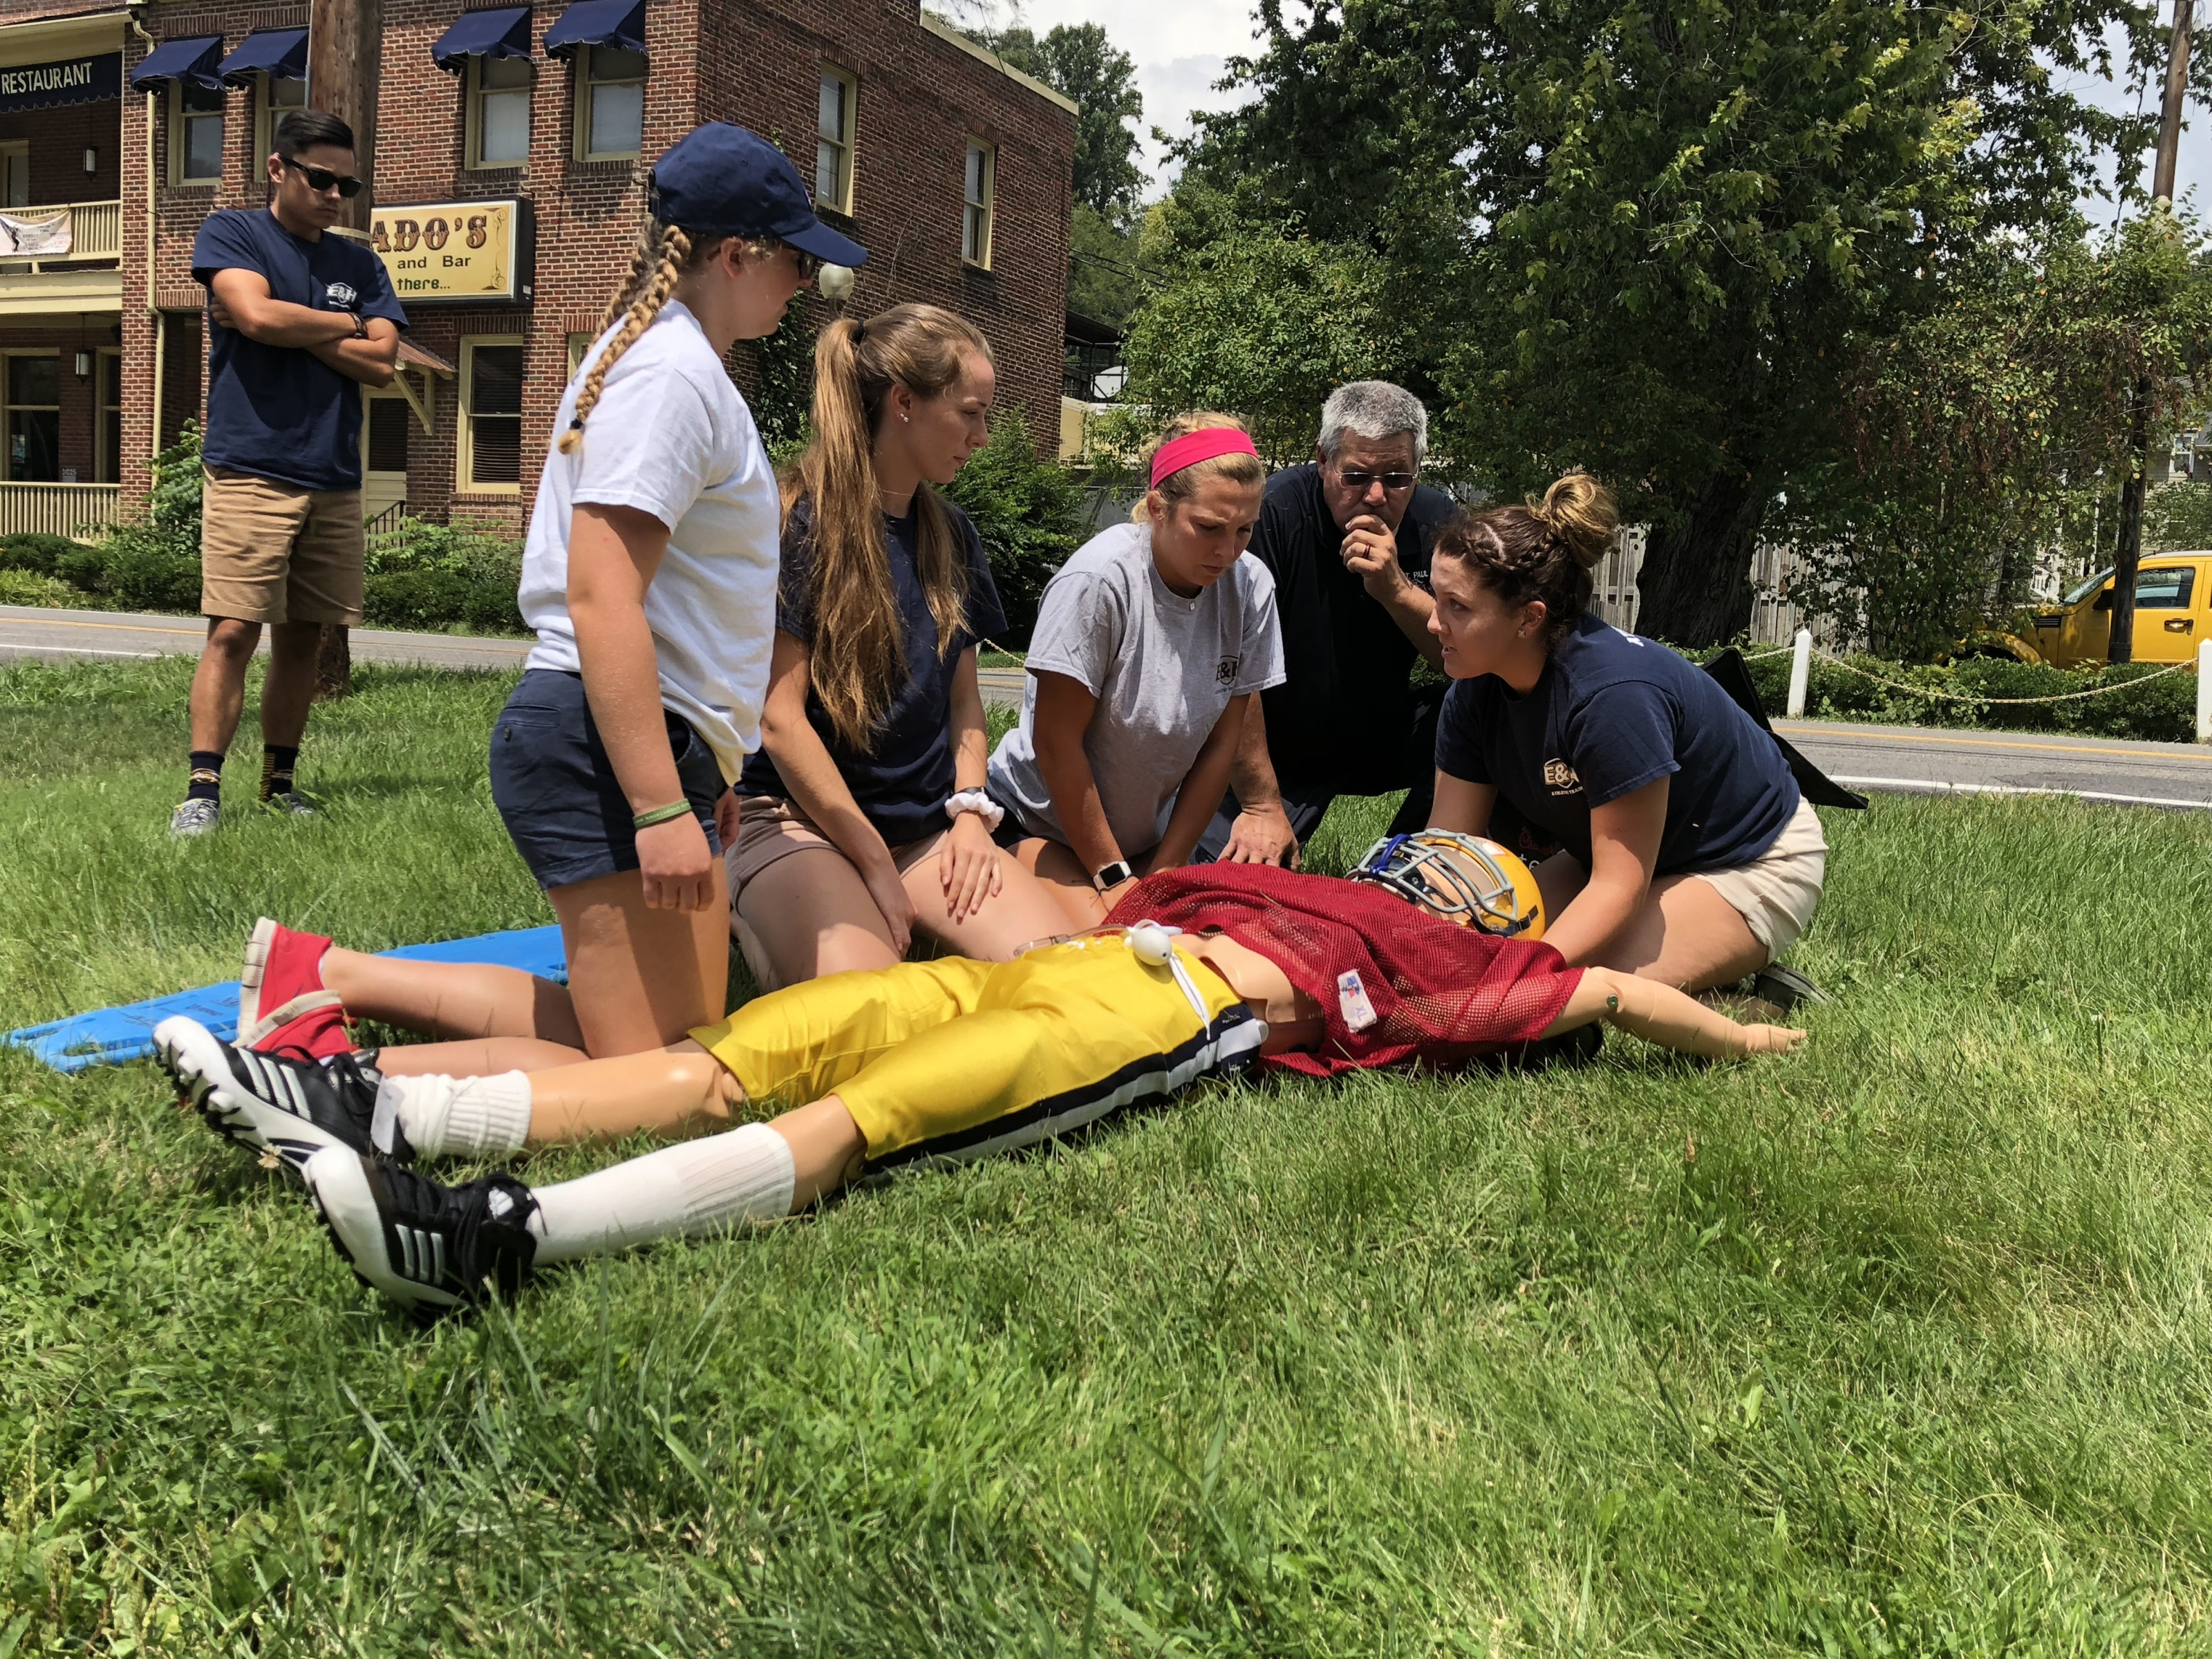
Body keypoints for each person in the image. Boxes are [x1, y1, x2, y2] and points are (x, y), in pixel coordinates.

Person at [150, 836, 1805, 1318]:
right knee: (748, 1045)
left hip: (1147, 1021)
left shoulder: (1455, 966)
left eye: (1463, 872)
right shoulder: (1296, 875)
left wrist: (1735, 1031)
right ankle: (376, 1106)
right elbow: (1098, 897)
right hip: (1060, 966)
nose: (1433, 871)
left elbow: (1603, 980)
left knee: (867, 1119)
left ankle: (500, 1238)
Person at [228, 122, 866, 1073]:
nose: (805, 288)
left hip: (635, 741)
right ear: (739, 255)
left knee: (662, 1043)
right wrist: (659, 807)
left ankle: (323, 976)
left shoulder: (663, 358)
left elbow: (679, 605)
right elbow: (603, 595)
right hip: (602, 746)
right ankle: (314, 1081)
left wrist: (709, 778)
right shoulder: (672, 373)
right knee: (664, 1071)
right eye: (797, 265)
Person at [726, 305, 1072, 991]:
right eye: (970, 412)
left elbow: (965, 706)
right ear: (904, 402)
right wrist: (873, 866)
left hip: (923, 831)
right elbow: (777, 718)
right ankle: (748, 916)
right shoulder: (798, 521)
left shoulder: (952, 535)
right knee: (869, 1009)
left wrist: (971, 815)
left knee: (1067, 975)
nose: (980, 436)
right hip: (793, 821)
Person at [1425, 473, 1828, 991]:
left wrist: (1519, 976)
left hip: (1745, 860)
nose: (1435, 623)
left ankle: (1756, 989)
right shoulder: (1474, 687)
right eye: (1435, 596)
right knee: (1469, 956)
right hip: (1619, 861)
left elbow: (1619, 885)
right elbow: (1451, 851)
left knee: (1570, 992)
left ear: (1530, 619)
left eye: (1457, 606)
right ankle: (1700, 960)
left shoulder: (1611, 697)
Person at [170, 110, 406, 838]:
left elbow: (384, 361)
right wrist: (341, 325)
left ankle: (279, 785)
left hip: (333, 472)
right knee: (235, 629)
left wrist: (290, 321)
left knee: (305, 635)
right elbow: (252, 316)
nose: (337, 194)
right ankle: (203, 792)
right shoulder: (233, 233)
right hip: (251, 465)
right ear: (279, 169)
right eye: (322, 179)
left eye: (349, 183)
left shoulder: (360, 263)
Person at [987, 414, 1284, 927]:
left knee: (1203, 940)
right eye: (1209, 528)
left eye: (1244, 531)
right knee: (1109, 951)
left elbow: (1221, 746)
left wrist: (1165, 872)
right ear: (1158, 510)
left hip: (1146, 839)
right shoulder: (1100, 582)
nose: (1228, 551)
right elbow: (1056, 743)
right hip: (1036, 822)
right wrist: (1114, 878)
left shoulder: (1251, 587)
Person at [1196, 381, 1458, 868]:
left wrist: (1397, 591)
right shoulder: (1274, 515)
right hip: (1277, 745)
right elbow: (1227, 666)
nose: (1377, 496)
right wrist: (1262, 804)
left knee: (1489, 706)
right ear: (1323, 460)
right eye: (1356, 476)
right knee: (1215, 885)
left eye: (1398, 478)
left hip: (1380, 731)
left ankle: (1400, 870)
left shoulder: (1437, 520)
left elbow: (1470, 654)